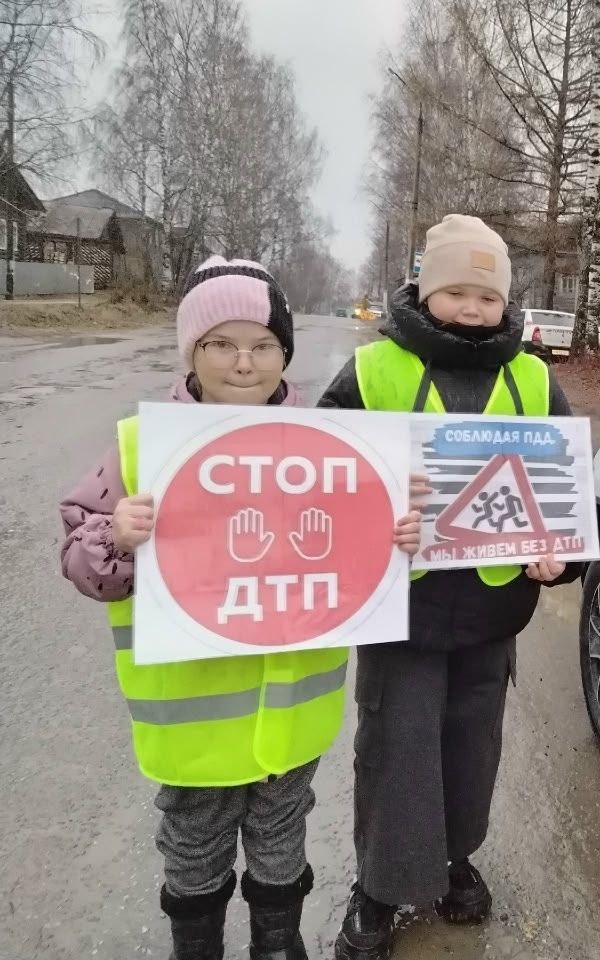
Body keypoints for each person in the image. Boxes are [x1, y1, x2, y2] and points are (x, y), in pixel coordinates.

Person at [58, 256, 423, 960]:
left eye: (263, 344)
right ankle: (196, 946)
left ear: (285, 353)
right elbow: (81, 558)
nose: (244, 362)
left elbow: (354, 556)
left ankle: (277, 944)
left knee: (283, 835)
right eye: (220, 343)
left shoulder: (329, 451)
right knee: (193, 840)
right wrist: (117, 536)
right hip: (194, 726)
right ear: (190, 351)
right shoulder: (139, 449)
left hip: (290, 715)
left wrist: (398, 537)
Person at [317, 215, 583, 960]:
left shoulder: (533, 376)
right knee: (397, 745)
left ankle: (454, 858)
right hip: (401, 604)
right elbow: (317, 475)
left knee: (473, 746)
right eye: (455, 292)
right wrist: (376, 509)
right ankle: (378, 887)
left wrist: (562, 556)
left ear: (506, 303)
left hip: (493, 610)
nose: (471, 309)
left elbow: (565, 491)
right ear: (426, 289)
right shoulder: (374, 370)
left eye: (486, 296)